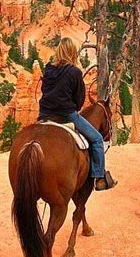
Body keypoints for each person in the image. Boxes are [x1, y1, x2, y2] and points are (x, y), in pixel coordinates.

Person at [38, 37, 117, 191]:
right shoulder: (74, 72)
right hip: (65, 115)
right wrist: (71, 106)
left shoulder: (48, 68)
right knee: (97, 139)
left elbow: (44, 91)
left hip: (44, 115)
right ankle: (99, 178)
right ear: (72, 53)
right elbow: (79, 100)